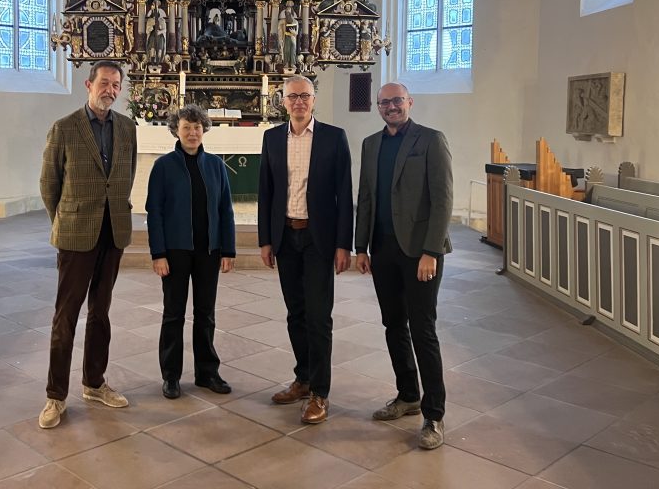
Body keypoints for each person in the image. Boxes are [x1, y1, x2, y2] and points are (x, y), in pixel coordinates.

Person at [38, 61, 137, 429]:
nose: (110, 90)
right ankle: (55, 396)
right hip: (77, 234)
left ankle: (94, 383)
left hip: (113, 233)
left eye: (115, 84)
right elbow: (49, 185)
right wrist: (65, 222)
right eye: (104, 83)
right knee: (65, 317)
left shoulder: (127, 128)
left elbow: (124, 178)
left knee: (101, 313)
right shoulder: (64, 128)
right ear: (88, 84)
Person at [354, 82, 452, 450]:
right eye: (385, 103)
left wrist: (431, 251)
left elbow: (443, 199)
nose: (391, 107)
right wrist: (360, 246)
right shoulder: (371, 144)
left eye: (397, 101)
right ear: (378, 107)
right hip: (382, 251)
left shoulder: (431, 140)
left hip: (419, 253)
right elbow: (365, 196)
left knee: (423, 330)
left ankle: (434, 414)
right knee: (393, 324)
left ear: (409, 102)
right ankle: (408, 394)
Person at [257, 75, 353, 425]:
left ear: (314, 100)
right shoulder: (271, 138)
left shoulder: (333, 137)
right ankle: (303, 378)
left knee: (318, 316)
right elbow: (265, 191)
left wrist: (344, 244)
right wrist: (265, 239)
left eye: (305, 96)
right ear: (283, 101)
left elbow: (345, 195)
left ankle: (320, 392)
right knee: (295, 313)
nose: (298, 102)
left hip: (319, 238)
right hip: (286, 236)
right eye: (292, 96)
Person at [146, 104, 237, 399]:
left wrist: (228, 249)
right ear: (176, 130)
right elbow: (155, 211)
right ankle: (171, 376)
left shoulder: (216, 166)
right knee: (174, 314)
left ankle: (207, 372)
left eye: (197, 127)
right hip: (175, 251)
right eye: (186, 127)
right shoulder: (163, 166)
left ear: (204, 129)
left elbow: (225, 209)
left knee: (206, 314)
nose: (192, 132)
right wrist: (158, 253)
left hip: (208, 250)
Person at [280, 0, 299, 71]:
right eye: (286, 13)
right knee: (286, 50)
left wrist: (293, 32)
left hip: (293, 37)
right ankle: (286, 63)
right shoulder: (283, 21)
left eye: (288, 13)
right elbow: (280, 28)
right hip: (286, 37)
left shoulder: (296, 22)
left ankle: (292, 63)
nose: (287, 14)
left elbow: (296, 33)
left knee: (293, 50)